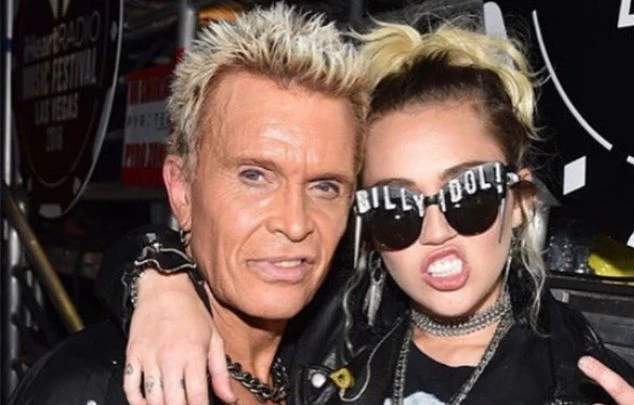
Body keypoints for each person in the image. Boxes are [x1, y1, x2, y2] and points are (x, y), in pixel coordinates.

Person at [95, 16, 634, 405]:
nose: (435, 230)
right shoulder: (337, 330)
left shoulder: (583, 381)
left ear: (517, 202)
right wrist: (160, 277)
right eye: (396, 206)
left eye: (468, 194)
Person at [9, 4, 368, 404]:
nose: (295, 222)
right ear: (182, 190)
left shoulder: (355, 351)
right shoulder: (87, 388)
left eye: (325, 187)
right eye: (254, 176)